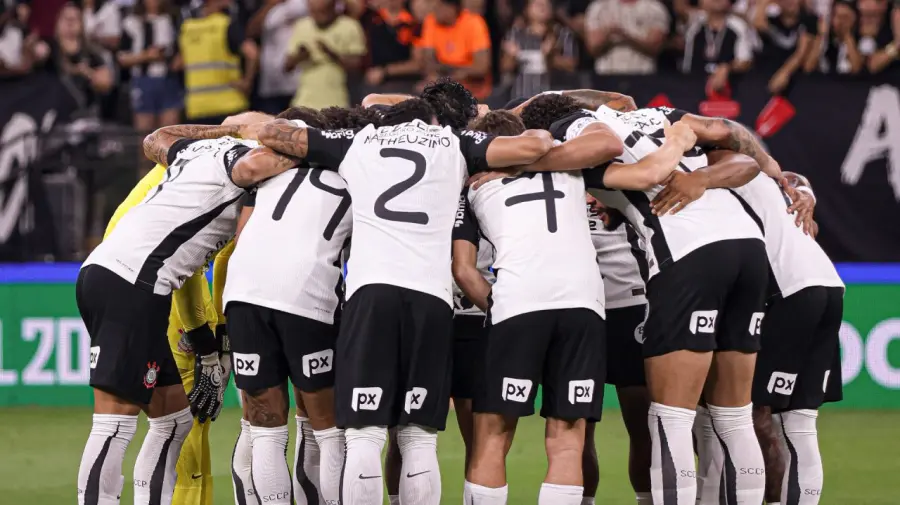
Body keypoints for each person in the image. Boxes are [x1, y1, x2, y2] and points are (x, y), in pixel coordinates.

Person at [251, 97, 554, 505]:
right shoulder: (453, 142)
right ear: (430, 121)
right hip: (431, 298)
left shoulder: (358, 141)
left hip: (371, 294)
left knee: (364, 434)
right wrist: (500, 165)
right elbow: (535, 145)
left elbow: (272, 132)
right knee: (418, 437)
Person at [523, 95, 779, 505]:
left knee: (671, 420)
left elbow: (629, 166)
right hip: (749, 249)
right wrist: (768, 169)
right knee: (733, 417)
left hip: (688, 254)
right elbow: (733, 139)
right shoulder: (658, 115)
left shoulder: (571, 134)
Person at [74, 119, 299, 505]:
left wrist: (223, 130)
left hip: (111, 275)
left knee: (173, 420)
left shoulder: (194, 150)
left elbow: (155, 138)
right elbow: (256, 165)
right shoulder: (239, 159)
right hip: (133, 284)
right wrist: (312, 148)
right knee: (113, 423)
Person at [651, 165, 843, 505]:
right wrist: (806, 193)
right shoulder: (760, 176)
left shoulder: (718, 176)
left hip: (786, 290)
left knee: (740, 415)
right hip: (827, 283)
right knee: (798, 426)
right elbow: (795, 178)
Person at [459, 109, 621, 505]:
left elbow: (463, 271)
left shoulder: (476, 185)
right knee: (568, 439)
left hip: (519, 305)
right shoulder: (573, 170)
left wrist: (497, 306)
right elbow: (608, 138)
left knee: (492, 437)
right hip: (583, 305)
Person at [223, 106, 350, 505]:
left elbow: (232, 125)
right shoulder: (358, 174)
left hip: (243, 291)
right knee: (326, 425)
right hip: (305, 293)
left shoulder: (274, 169)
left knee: (265, 426)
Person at [583, 194, 653, 505]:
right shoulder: (548, 173)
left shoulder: (620, 172)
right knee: (573, 427)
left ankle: (648, 499)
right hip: (577, 306)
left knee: (643, 424)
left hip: (631, 302)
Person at [177, 0, 258, 124]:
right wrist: (247, 82)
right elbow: (252, 53)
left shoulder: (187, 28)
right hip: (229, 104)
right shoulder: (226, 24)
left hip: (197, 107)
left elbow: (179, 63)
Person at [284, 0, 366, 109]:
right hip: (303, 102)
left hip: (339, 103)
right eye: (313, 12)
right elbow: (286, 67)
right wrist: (299, 56)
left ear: (333, 6)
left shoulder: (350, 26)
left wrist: (333, 55)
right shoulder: (301, 26)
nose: (317, 16)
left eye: (322, 12)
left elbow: (358, 66)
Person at [119, 0, 182, 135]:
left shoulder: (173, 19)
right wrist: (147, 56)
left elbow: (182, 47)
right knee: (145, 136)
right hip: (143, 82)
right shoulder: (131, 22)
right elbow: (122, 57)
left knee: (169, 135)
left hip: (169, 81)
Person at [500, 0, 579, 98]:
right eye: (537, 4)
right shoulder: (516, 34)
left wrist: (550, 57)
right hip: (521, 96)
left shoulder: (562, 34)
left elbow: (571, 65)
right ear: (526, 9)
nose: (543, 7)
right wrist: (513, 57)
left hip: (552, 98)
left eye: (546, 4)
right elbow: (505, 67)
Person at [418, 0, 493, 100]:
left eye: (438, 7)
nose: (433, 10)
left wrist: (447, 78)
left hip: (472, 87)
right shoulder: (431, 20)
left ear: (452, 9)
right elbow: (427, 61)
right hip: (442, 82)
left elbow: (481, 67)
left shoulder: (474, 22)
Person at [246, 0, 308, 115]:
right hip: (271, 82)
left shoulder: (302, 3)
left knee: (299, 127)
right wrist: (271, 4)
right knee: (271, 128)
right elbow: (251, 31)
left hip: (298, 82)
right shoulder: (270, 7)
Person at [47, 2, 113, 111]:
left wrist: (88, 73)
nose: (70, 23)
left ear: (82, 24)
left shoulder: (92, 53)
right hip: (53, 112)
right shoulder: (49, 49)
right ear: (57, 22)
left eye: (75, 19)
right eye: (66, 18)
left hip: (84, 113)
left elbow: (106, 83)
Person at [681, 0, 754, 91]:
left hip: (730, 87)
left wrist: (727, 68)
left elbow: (745, 61)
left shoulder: (738, 26)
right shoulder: (694, 25)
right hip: (693, 84)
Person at [752, 0, 820, 95]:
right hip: (769, 74)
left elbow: (801, 52)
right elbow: (758, 23)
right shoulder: (772, 21)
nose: (790, 2)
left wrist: (785, 73)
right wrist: (765, 2)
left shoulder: (808, 20)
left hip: (796, 78)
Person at [583, 0, 670, 75]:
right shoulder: (598, 7)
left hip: (643, 76)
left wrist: (626, 37)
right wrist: (610, 33)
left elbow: (655, 47)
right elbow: (592, 48)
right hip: (605, 76)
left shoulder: (655, 8)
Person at [805, 0, 863, 75]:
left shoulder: (860, 38)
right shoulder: (825, 38)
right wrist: (821, 36)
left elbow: (857, 69)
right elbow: (808, 67)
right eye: (838, 17)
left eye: (845, 17)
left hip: (849, 84)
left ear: (854, 19)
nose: (841, 22)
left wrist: (847, 37)